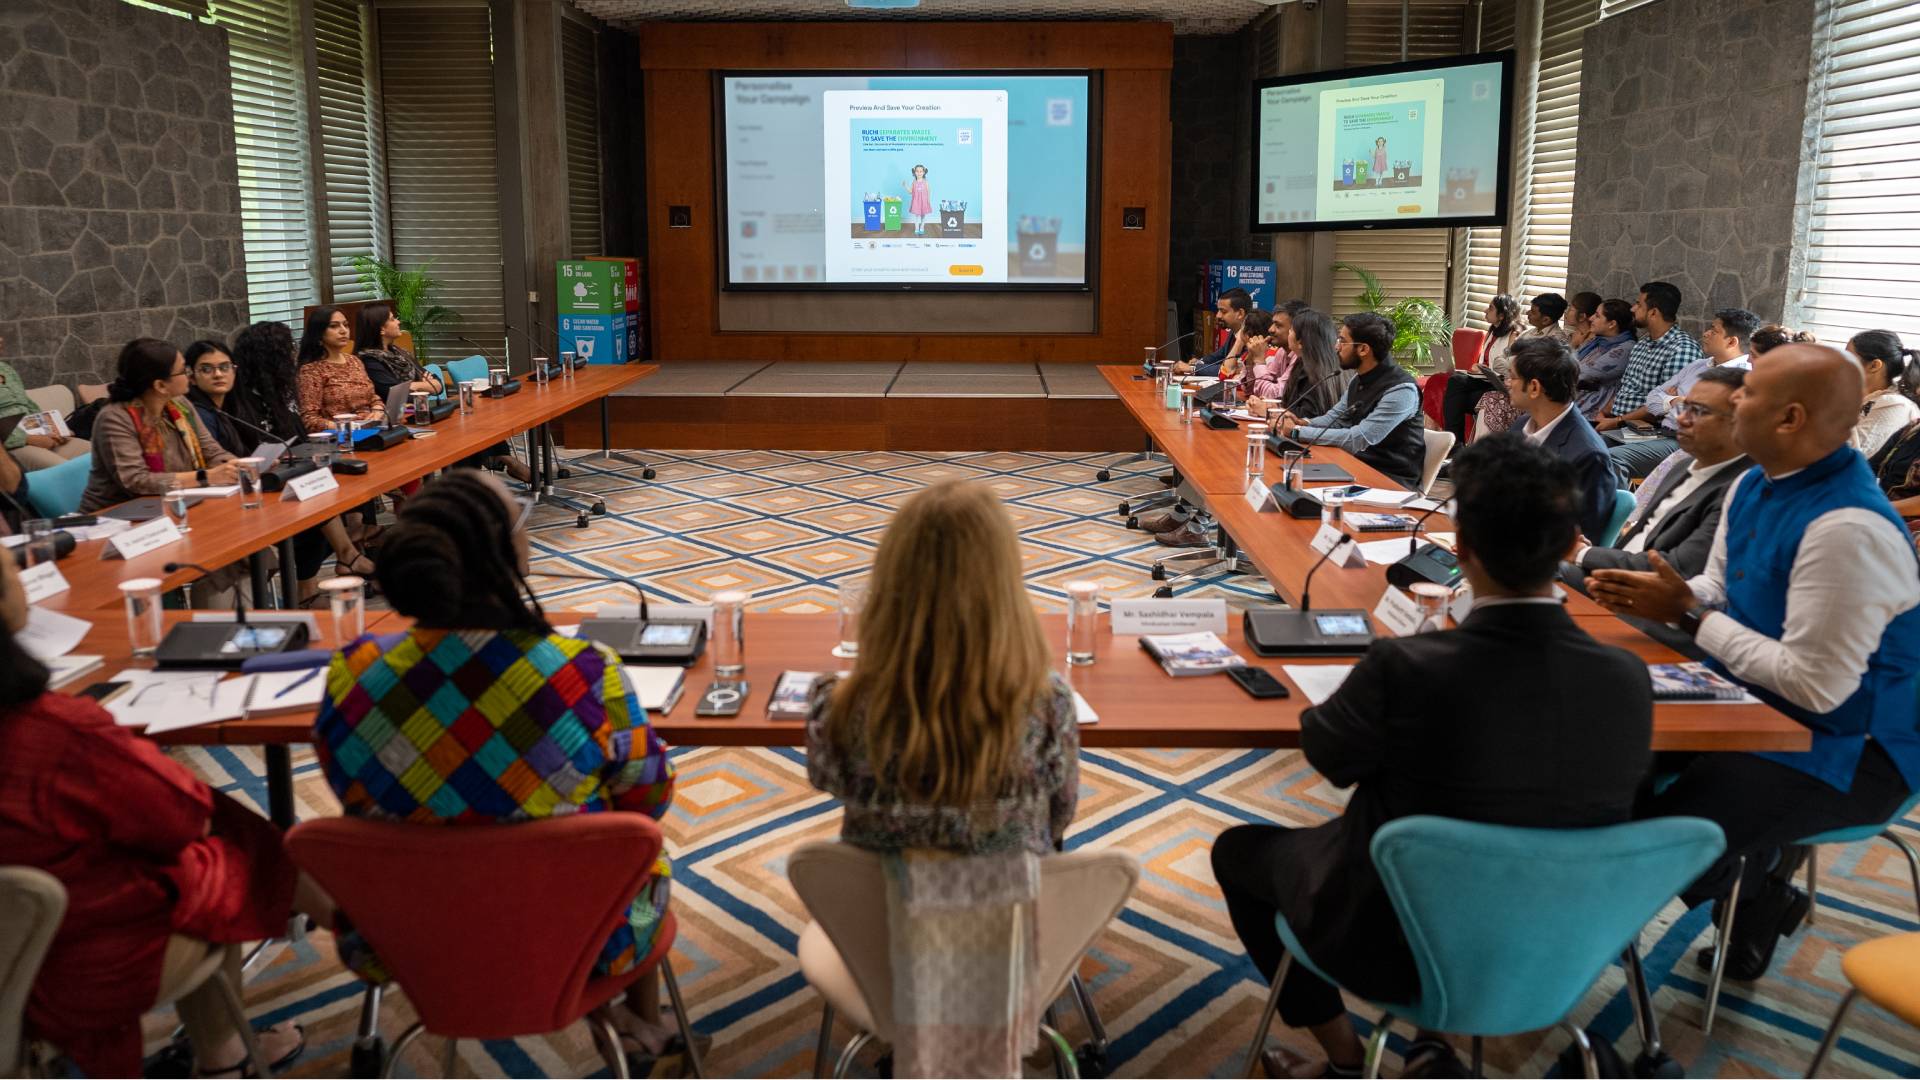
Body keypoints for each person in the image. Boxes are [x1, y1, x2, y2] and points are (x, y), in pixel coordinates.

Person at [1215, 434, 1652, 1080]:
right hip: (1556, 941)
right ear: (1568, 550)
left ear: (1462, 551)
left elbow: (1330, 756)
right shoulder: (1626, 676)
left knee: (1237, 851)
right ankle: (1430, 1045)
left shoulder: (1408, 665)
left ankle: (1342, 1060)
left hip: (1393, 939)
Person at [311, 469, 685, 1058]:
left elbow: (347, 788)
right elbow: (649, 798)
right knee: (631, 849)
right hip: (575, 931)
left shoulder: (354, 673)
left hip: (411, 939)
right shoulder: (584, 673)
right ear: (506, 551)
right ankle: (640, 1033)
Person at [1588, 344, 1920, 983]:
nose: (1731, 400)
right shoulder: (1752, 481)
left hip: (1848, 747)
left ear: (1790, 419)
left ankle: (1757, 887)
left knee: (1650, 843)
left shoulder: (1847, 527)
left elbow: (1815, 686)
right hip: (1753, 699)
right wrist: (1684, 600)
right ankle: (1750, 877)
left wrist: (1689, 615)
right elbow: (1719, 588)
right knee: (1603, 758)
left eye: (1749, 393)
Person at [0, 552, 324, 1078]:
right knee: (219, 849)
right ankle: (227, 1056)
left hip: (28, 942)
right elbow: (181, 818)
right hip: (62, 970)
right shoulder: (58, 734)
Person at [808, 479, 1077, 855]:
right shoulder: (1049, 703)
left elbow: (826, 779)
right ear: (1006, 585)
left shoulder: (840, 705)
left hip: (882, 910)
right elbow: (1061, 814)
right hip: (1010, 908)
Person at [82, 339, 252, 606]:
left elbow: (211, 451)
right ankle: (208, 627)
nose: (189, 376)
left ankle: (234, 626)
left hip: (177, 508)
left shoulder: (180, 404)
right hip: (122, 523)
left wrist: (236, 466)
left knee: (251, 549)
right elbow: (136, 482)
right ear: (160, 385)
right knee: (223, 554)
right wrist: (206, 477)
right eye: (183, 370)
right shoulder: (115, 417)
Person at [1566, 366, 1751, 585]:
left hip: (1649, 598)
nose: (1682, 419)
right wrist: (1589, 554)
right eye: (1684, 406)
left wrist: (1581, 554)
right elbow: (1639, 540)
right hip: (1616, 575)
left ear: (1741, 420)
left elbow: (1674, 568)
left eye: (1699, 411)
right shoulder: (1681, 467)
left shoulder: (1740, 487)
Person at [1601, 306, 1756, 482]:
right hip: (1659, 432)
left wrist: (1670, 401)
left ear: (1731, 342)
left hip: (1686, 443)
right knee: (1593, 445)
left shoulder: (1741, 376)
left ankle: (1618, 509)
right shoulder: (1698, 365)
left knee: (1612, 459)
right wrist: (1674, 401)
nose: (1706, 334)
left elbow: (1701, 417)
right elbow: (1653, 397)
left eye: (1714, 331)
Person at [1273, 312, 1426, 489]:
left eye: (1342, 341)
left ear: (1363, 349)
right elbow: (1334, 419)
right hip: (1355, 465)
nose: (1336, 347)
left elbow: (1358, 439)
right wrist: (1303, 422)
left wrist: (1296, 432)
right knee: (1285, 476)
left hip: (1388, 479)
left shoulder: (1401, 390)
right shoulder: (1359, 378)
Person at [1506, 337, 1616, 541]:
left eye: (1512, 377)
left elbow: (1582, 539)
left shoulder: (1588, 456)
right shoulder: (1521, 426)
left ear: (1534, 388)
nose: (1507, 383)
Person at [1596, 282, 1705, 440]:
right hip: (1616, 422)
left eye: (1639, 304)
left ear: (1653, 312)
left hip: (1645, 431)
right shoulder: (1643, 343)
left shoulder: (1681, 349)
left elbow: (1664, 406)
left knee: (1585, 454)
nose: (1633, 309)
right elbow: (1626, 388)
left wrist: (1617, 421)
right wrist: (1603, 412)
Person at [0, 333, 91, 473]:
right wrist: (29, 439)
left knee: (97, 455)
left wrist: (53, 430)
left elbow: (28, 405)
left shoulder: (6, 369)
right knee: (66, 471)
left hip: (36, 434)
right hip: (12, 446)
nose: (1, 339)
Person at [1442, 294, 1520, 444]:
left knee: (1458, 398)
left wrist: (1485, 369)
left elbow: (1509, 366)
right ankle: (1454, 443)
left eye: (1490, 308)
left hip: (1498, 382)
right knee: (1455, 380)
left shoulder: (1514, 335)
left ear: (1502, 315)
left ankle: (1454, 444)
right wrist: (1478, 367)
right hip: (1484, 379)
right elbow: (1485, 360)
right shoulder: (1492, 332)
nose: (1485, 310)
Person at [295, 306, 386, 435]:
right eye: (334, 326)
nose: (343, 331)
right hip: (341, 438)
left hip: (372, 429)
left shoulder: (354, 361)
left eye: (346, 325)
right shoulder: (311, 370)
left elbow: (372, 397)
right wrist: (347, 426)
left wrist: (378, 410)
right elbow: (309, 420)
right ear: (319, 332)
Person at [1247, 306, 1341, 420]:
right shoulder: (1302, 362)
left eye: (1291, 330)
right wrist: (1272, 406)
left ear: (1301, 342)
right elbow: (1289, 402)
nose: (1271, 329)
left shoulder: (1312, 370)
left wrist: (1268, 411)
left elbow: (1308, 415)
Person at [1845, 329, 1920, 458]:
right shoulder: (1856, 395)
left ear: (1874, 365)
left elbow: (1851, 457)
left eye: (1847, 358)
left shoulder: (1896, 406)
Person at [353, 303, 442, 405]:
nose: (398, 322)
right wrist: (424, 385)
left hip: (418, 410)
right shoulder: (369, 361)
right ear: (381, 329)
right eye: (392, 319)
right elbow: (395, 395)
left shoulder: (399, 353)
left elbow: (438, 385)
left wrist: (413, 386)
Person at [184, 339, 250, 457]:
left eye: (224, 367)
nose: (218, 374)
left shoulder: (231, 408)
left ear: (234, 371)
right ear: (191, 377)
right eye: (206, 369)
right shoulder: (199, 414)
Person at [1573, 298, 1637, 417]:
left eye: (1597, 316)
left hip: (1591, 412)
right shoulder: (1597, 341)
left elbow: (1580, 373)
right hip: (1575, 402)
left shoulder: (1625, 349)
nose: (1591, 318)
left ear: (1612, 324)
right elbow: (1569, 362)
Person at [1175, 288, 1252, 376]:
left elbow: (1231, 369)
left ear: (1240, 313)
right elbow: (1219, 355)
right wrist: (1199, 363)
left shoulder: (1252, 336)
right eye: (1218, 310)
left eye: (1223, 311)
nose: (1218, 315)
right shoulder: (1234, 330)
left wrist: (1193, 369)